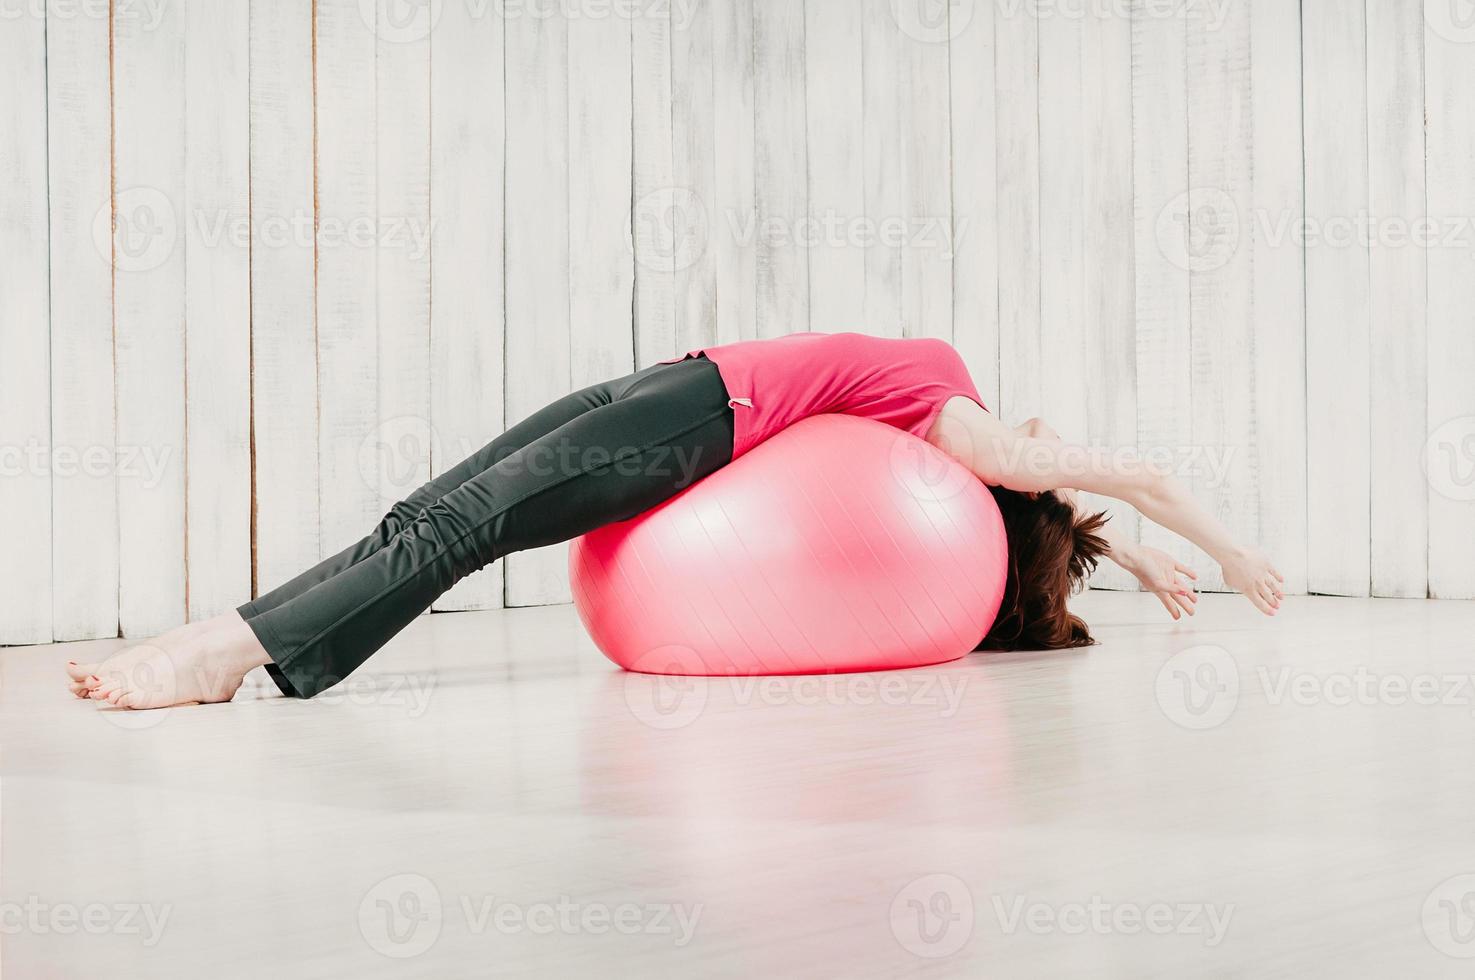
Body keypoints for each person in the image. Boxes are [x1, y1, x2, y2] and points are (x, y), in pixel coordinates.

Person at [65, 331, 1282, 710]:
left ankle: (215, 652)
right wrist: (1127, 547)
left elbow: (1111, 469)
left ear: (1013, 484)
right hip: (669, 380)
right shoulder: (947, 378)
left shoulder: (968, 439)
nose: (1039, 440)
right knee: (425, 512)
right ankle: (255, 652)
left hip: (692, 423)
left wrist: (1218, 546)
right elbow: (1078, 496)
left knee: (454, 531)